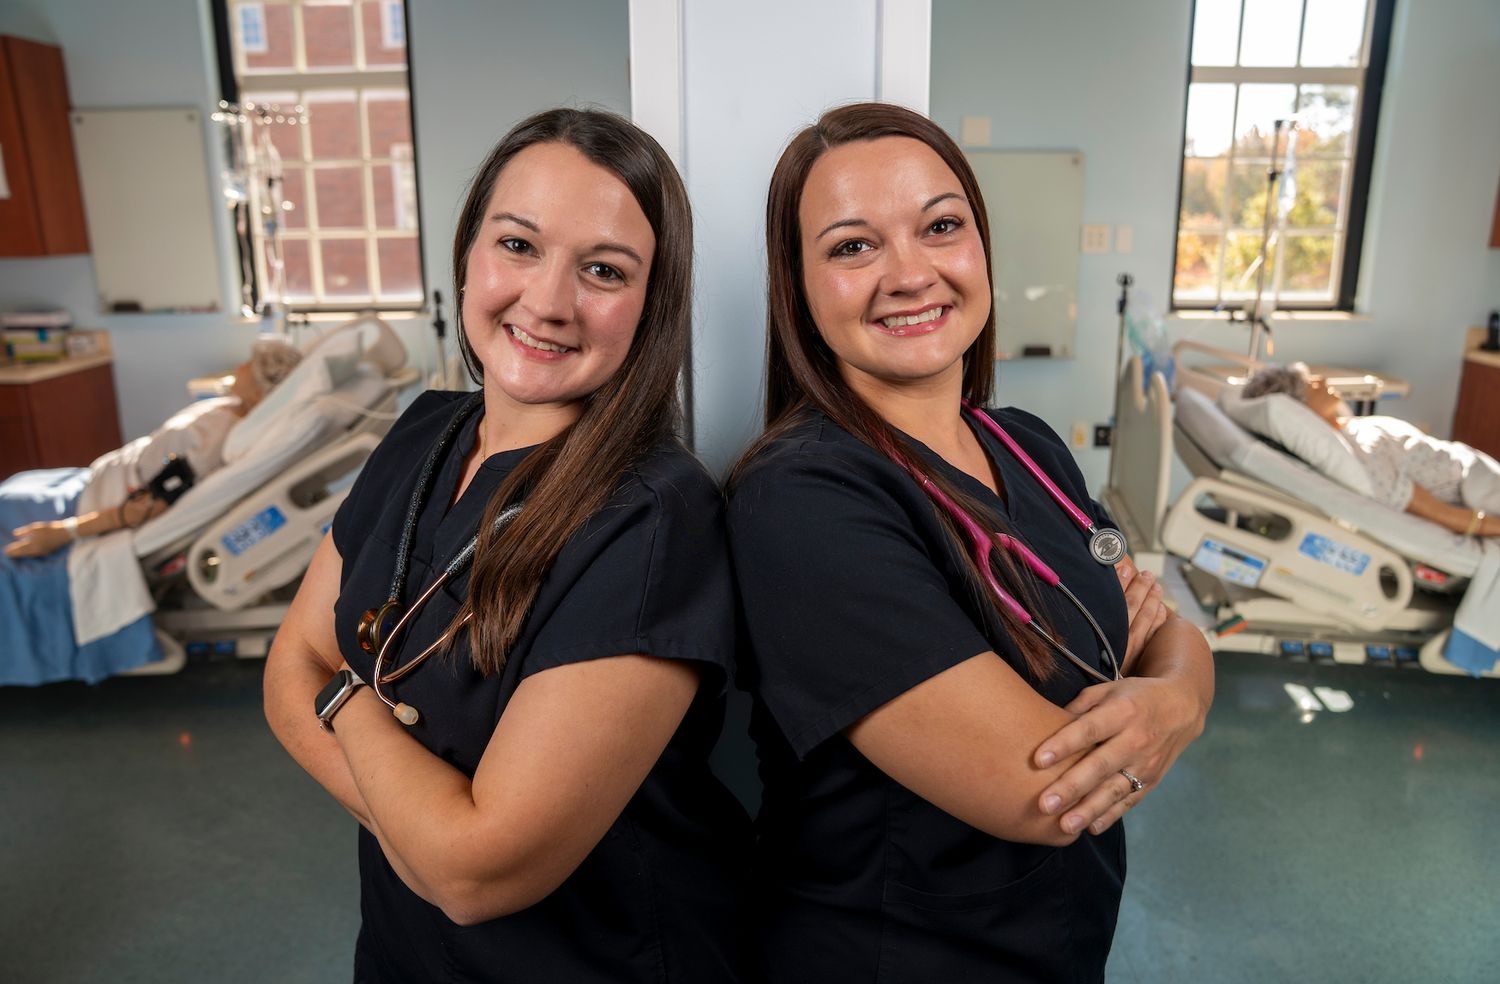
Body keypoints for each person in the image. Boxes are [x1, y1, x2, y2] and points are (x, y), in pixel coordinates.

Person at [726, 103, 1214, 981]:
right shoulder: (799, 499)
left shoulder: (1028, 444)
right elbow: (1046, 789)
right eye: (852, 246)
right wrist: (1171, 698)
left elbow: (1160, 621)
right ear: (797, 288)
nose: (910, 274)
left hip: (1059, 942)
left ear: (981, 247)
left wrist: (1174, 693)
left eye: (941, 227)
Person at [262, 108, 749, 982]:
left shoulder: (653, 519)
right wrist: (428, 836)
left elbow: (476, 874)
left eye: (604, 270)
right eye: (518, 245)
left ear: (652, 306)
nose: (549, 302)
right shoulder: (422, 434)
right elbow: (284, 666)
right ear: (468, 255)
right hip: (405, 953)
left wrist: (341, 700)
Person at [3, 339, 300, 559]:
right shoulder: (232, 407)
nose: (239, 367)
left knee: (7, 501)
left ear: (259, 392)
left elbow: (147, 506)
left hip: (94, 502)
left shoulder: (214, 445)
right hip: (93, 482)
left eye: (247, 364)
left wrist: (63, 532)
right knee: (15, 488)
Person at [1242, 363, 1500, 539]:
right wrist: (1491, 526)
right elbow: (1434, 511)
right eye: (1307, 383)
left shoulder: (1351, 430)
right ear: (1301, 408)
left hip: (1474, 468)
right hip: (1476, 486)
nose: (1320, 380)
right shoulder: (1362, 452)